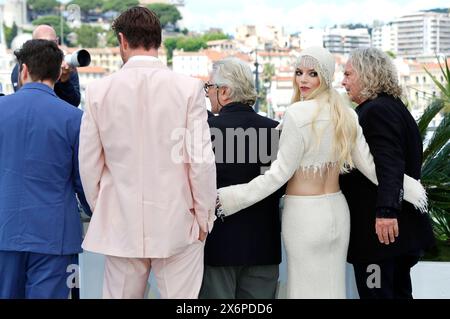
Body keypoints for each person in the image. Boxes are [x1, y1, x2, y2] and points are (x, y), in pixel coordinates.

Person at [216, 46, 428, 298]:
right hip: (338, 215)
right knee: (333, 290)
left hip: (304, 216)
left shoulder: (296, 114)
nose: (303, 79)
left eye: (312, 73)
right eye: (299, 72)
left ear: (324, 77)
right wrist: (413, 190)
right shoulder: (347, 114)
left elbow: (278, 176)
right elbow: (372, 168)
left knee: (304, 291)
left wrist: (229, 198)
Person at [78, 7, 216, 299]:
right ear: (159, 40)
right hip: (179, 221)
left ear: (122, 40)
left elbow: (88, 164)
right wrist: (204, 218)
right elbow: (200, 162)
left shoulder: (98, 91)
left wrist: (104, 207)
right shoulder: (189, 89)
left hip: (121, 222)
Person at [340, 47, 435, 299]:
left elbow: (389, 164)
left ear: (367, 74)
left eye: (348, 74)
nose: (343, 81)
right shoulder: (393, 107)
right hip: (395, 236)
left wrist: (386, 212)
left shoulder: (376, 111)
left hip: (380, 238)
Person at [0, 39, 90, 299]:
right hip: (55, 237)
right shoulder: (75, 119)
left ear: (24, 70)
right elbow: (84, 180)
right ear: (56, 74)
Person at [199, 58, 284, 299]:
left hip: (218, 248)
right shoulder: (274, 130)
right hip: (263, 246)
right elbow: (278, 186)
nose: (208, 95)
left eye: (210, 88)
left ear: (224, 92)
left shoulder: (206, 131)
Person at [11, 25, 81, 107]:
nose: (47, 49)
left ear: (57, 42)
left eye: (51, 44)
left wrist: (64, 81)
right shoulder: (21, 66)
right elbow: (21, 98)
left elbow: (74, 102)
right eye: (43, 44)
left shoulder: (66, 65)